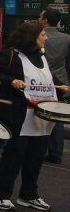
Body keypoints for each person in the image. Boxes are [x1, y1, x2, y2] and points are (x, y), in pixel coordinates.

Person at [0, 22, 70, 212]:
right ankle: (1, 195)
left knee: (36, 157)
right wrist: (11, 80)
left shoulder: (41, 55)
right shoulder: (9, 55)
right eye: (42, 35)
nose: (46, 38)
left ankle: (28, 194)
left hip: (41, 116)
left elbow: (47, 79)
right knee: (14, 155)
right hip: (19, 115)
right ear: (31, 37)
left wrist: (62, 87)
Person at [39, 9, 70, 163]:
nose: (39, 19)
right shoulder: (67, 38)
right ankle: (56, 152)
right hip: (61, 81)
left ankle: (35, 147)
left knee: (36, 112)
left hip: (40, 80)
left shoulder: (37, 36)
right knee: (56, 117)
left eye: (40, 17)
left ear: (45, 20)